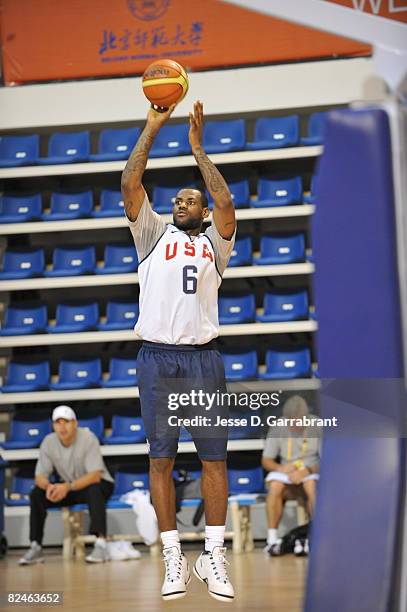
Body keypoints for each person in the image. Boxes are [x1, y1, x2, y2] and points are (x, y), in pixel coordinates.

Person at [121, 100, 236, 602]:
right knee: (160, 460)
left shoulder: (216, 242)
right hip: (157, 358)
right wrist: (153, 126)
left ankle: (213, 556)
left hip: (203, 359)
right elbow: (130, 182)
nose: (180, 203)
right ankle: (173, 556)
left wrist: (198, 151)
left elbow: (227, 201)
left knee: (214, 460)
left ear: (204, 212)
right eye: (177, 200)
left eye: (190, 200)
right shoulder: (151, 235)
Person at [19, 405, 114, 565]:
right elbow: (40, 476)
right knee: (36, 494)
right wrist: (49, 487)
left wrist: (67, 487)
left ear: (75, 423)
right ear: (53, 425)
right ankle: (35, 546)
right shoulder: (49, 442)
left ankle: (101, 544)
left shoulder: (88, 438)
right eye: (58, 423)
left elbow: (95, 475)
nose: (62, 427)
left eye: (66, 422)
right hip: (69, 487)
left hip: (98, 483)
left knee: (94, 490)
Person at [262, 395, 321, 555]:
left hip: (310, 473)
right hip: (286, 476)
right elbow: (266, 460)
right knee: (275, 485)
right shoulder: (278, 427)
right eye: (291, 421)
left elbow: (327, 460)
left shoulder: (317, 426)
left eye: (299, 421)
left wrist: (307, 471)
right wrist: (280, 468)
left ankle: (316, 535)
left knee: (311, 485)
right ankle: (272, 539)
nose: (295, 425)